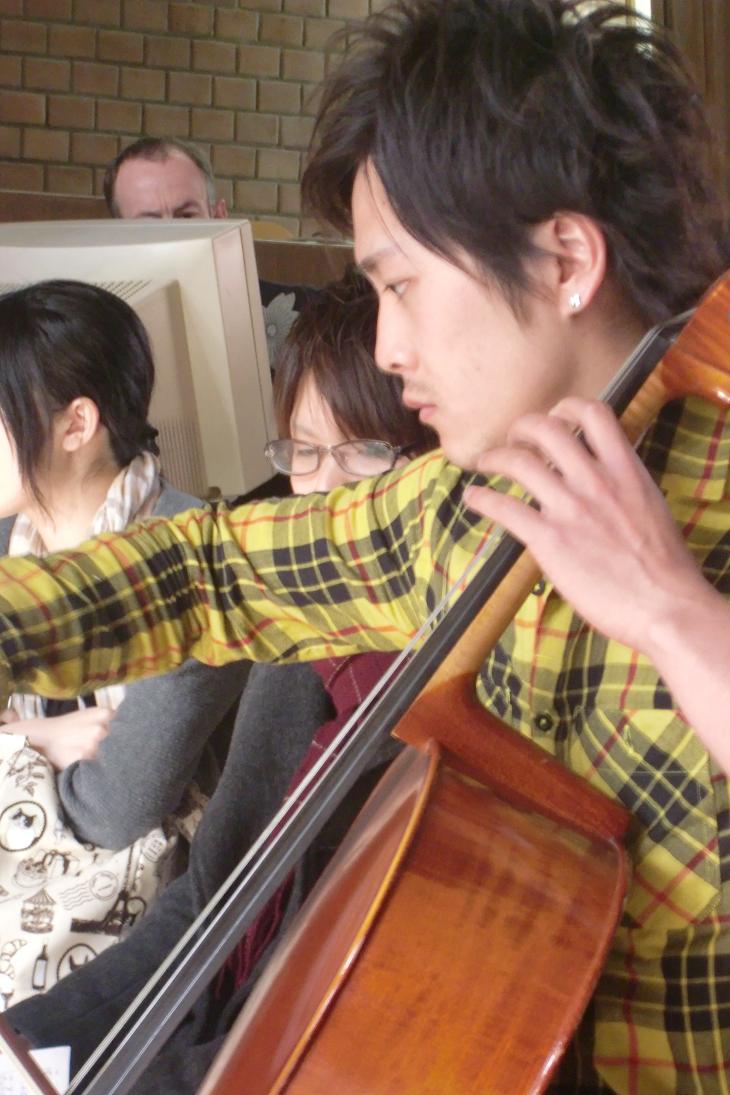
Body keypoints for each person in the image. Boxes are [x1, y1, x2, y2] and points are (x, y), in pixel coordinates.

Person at [0, 1, 728, 1090]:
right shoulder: (460, 508)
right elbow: (210, 570)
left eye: (402, 286)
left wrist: (677, 617)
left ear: (566, 261)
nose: (387, 346)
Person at [7, 267, 436, 1090]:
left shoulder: (444, 687)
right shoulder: (300, 634)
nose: (324, 490)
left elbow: (116, 805)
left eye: (365, 453)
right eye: (303, 451)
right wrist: (34, 1037)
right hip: (219, 1006)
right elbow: (218, 882)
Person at [0, 280, 249, 1007]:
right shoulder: (10, 541)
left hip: (127, 930)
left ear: (76, 425)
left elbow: (114, 806)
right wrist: (39, 737)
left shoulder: (187, 564)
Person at [103, 136, 311, 369]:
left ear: (219, 217)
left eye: (186, 216)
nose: (172, 236)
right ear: (117, 236)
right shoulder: (98, 334)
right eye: (147, 224)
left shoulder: (301, 320)